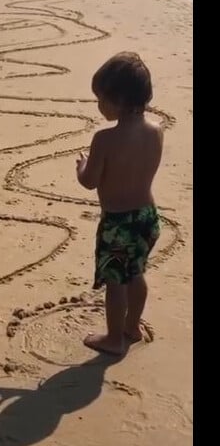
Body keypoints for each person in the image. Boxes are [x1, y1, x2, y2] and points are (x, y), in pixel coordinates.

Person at [75, 52, 162, 355]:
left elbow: (90, 181)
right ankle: (132, 326)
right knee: (135, 273)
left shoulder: (104, 140)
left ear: (120, 100)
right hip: (147, 218)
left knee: (116, 283)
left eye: (101, 99)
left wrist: (82, 166)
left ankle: (114, 338)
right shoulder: (156, 131)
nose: (99, 106)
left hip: (117, 224)